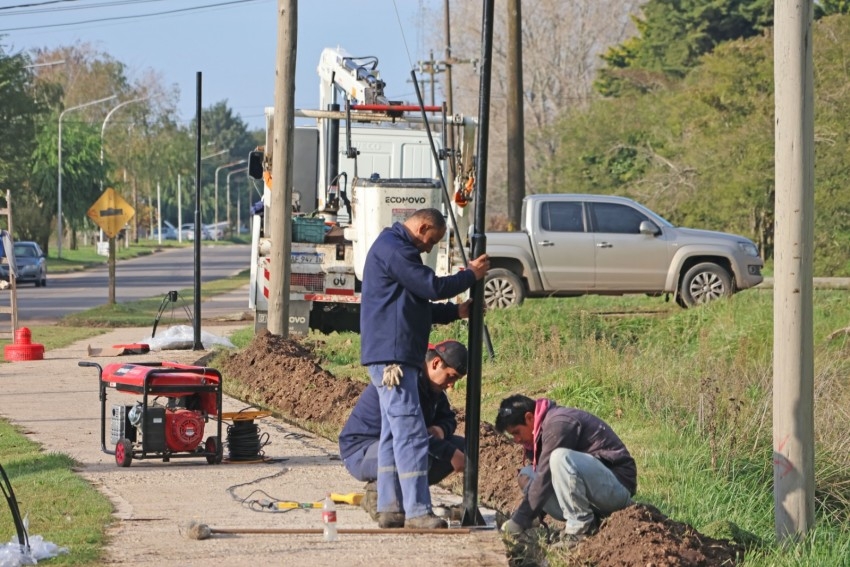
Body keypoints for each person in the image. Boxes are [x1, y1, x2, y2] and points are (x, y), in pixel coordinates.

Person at [360, 207, 489, 530]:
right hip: (394, 360)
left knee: (393, 435)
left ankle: (390, 508)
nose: (429, 248)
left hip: (391, 355)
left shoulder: (396, 252)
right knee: (412, 435)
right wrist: (469, 275)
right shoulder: (395, 249)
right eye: (430, 241)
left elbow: (416, 307)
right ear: (423, 226)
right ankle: (418, 511)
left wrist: (455, 312)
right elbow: (430, 286)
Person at [339, 340, 468, 520]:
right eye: (451, 376)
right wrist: (449, 452)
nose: (451, 385)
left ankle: (400, 492)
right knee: (414, 451)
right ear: (436, 364)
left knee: (462, 447)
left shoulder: (433, 388)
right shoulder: (405, 383)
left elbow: (448, 418)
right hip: (361, 451)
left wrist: (440, 430)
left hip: (397, 442)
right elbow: (409, 433)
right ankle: (378, 493)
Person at [496, 394, 637, 548]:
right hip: (595, 494)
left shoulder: (559, 423)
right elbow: (542, 479)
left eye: (516, 432)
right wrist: (533, 514)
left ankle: (580, 529)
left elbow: (546, 475)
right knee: (528, 474)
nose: (516, 440)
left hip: (616, 488)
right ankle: (591, 519)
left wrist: (519, 520)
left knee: (559, 458)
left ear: (529, 418)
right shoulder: (538, 434)